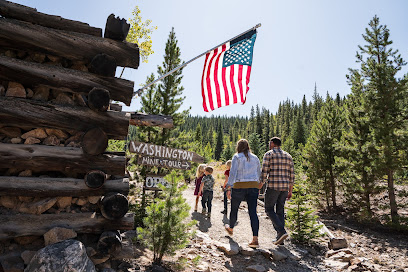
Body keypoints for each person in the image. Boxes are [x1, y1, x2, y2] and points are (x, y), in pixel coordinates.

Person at [225, 139, 261, 248]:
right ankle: (255, 239)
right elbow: (259, 172)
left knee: (234, 208)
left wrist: (228, 187)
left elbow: (233, 172)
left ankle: (231, 228)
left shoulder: (237, 157)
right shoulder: (255, 158)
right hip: (253, 186)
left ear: (238, 147)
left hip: (239, 186)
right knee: (252, 212)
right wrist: (257, 185)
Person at [259, 137, 294, 245]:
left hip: (273, 186)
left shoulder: (269, 154)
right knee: (280, 210)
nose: (269, 145)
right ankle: (280, 239)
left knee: (269, 209)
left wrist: (260, 185)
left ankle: (281, 231)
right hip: (284, 187)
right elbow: (292, 175)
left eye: (270, 143)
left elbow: (264, 171)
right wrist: (290, 190)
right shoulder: (288, 156)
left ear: (273, 143)